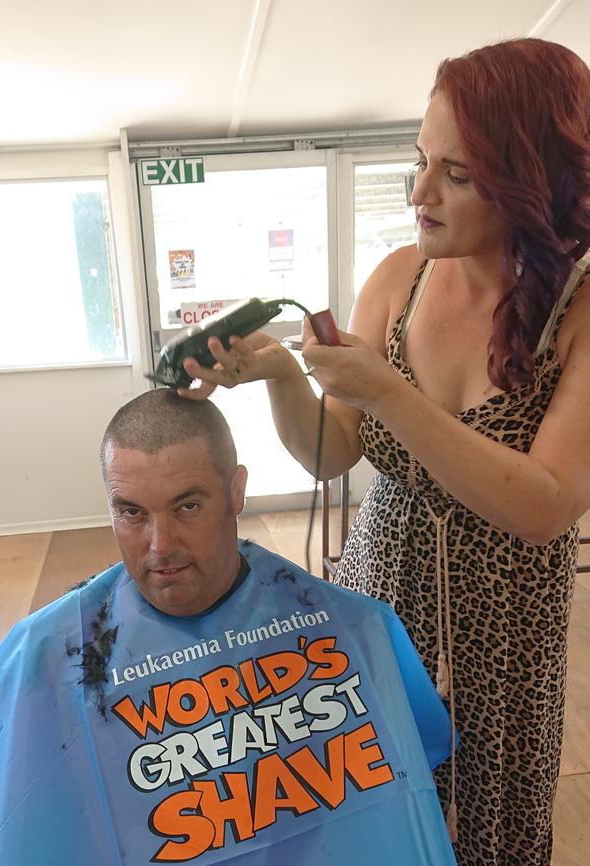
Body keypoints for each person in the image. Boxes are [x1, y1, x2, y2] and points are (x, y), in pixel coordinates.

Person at [178, 38, 590, 866]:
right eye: (419, 160)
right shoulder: (398, 279)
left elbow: (545, 506)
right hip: (379, 595)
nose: (419, 193)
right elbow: (333, 453)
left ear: (531, 184)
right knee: (367, 805)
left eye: (459, 175)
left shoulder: (579, 308)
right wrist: (283, 379)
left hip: (503, 626)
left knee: (486, 821)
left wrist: (388, 392)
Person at [0, 388, 458, 866]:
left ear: (236, 491)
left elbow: (403, 791)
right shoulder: (44, 654)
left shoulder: (354, 626)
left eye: (187, 506)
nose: (159, 546)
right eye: (132, 513)